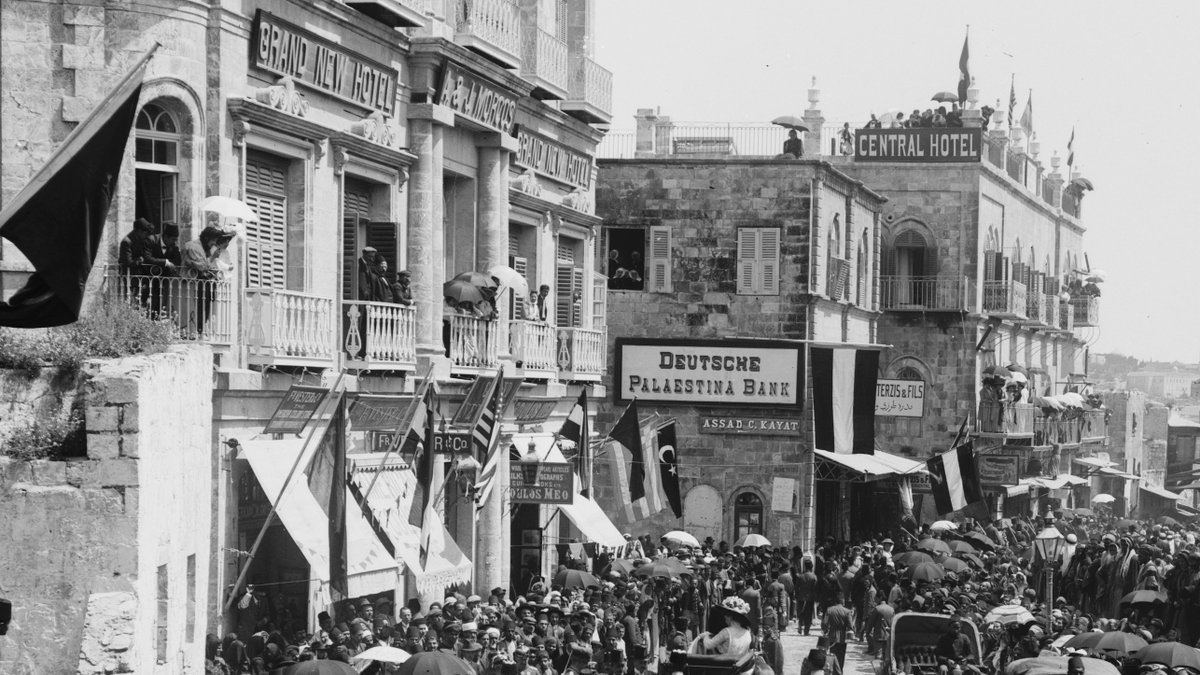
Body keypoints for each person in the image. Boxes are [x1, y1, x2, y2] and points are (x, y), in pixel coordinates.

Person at [181, 226, 233, 337]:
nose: (214, 243)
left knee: (205, 308)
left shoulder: (205, 248)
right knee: (198, 309)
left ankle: (201, 331)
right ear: (206, 238)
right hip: (193, 284)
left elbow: (209, 266)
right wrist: (213, 257)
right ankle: (196, 332)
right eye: (213, 240)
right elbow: (202, 266)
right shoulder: (194, 247)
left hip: (206, 285)